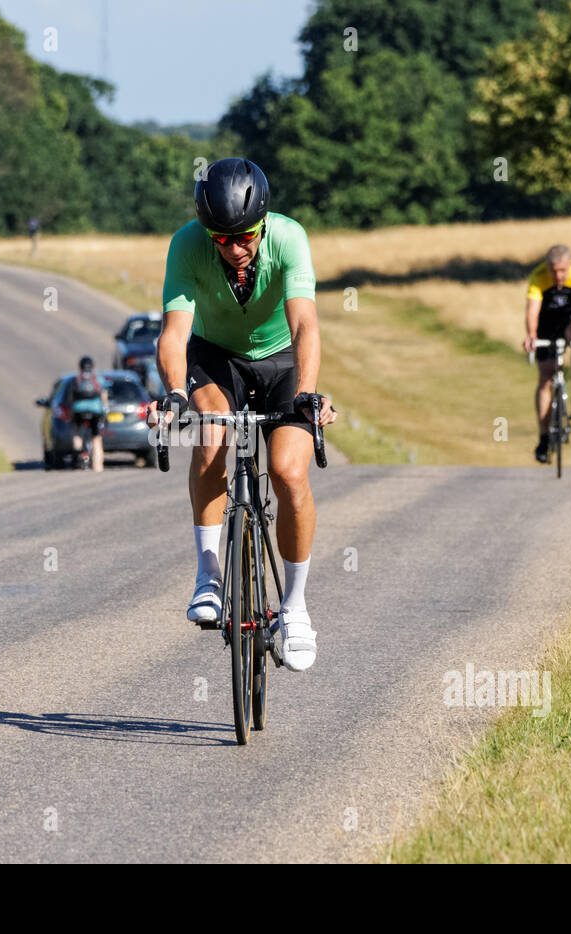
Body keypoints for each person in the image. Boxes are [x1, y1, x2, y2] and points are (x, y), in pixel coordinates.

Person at [150, 157, 337, 672]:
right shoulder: (186, 244)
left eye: (245, 236)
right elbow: (173, 332)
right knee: (211, 434)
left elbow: (305, 326)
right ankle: (209, 574)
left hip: (281, 362)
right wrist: (172, 393)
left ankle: (294, 608)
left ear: (263, 223)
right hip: (217, 359)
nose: (234, 249)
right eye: (221, 239)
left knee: (288, 471)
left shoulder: (289, 238)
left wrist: (309, 392)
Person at [521, 245, 571, 464]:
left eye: (562, 271)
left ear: (570, 266)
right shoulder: (538, 277)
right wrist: (532, 335)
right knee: (545, 379)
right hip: (546, 324)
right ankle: (543, 437)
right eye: (553, 271)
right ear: (547, 267)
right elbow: (532, 310)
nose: (558, 276)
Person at [70, 355, 108, 471]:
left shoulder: (76, 378)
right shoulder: (98, 378)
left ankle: (80, 454)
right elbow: (104, 394)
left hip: (79, 411)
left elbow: (71, 396)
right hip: (95, 411)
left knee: (76, 433)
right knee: (96, 439)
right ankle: (98, 467)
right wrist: (105, 409)